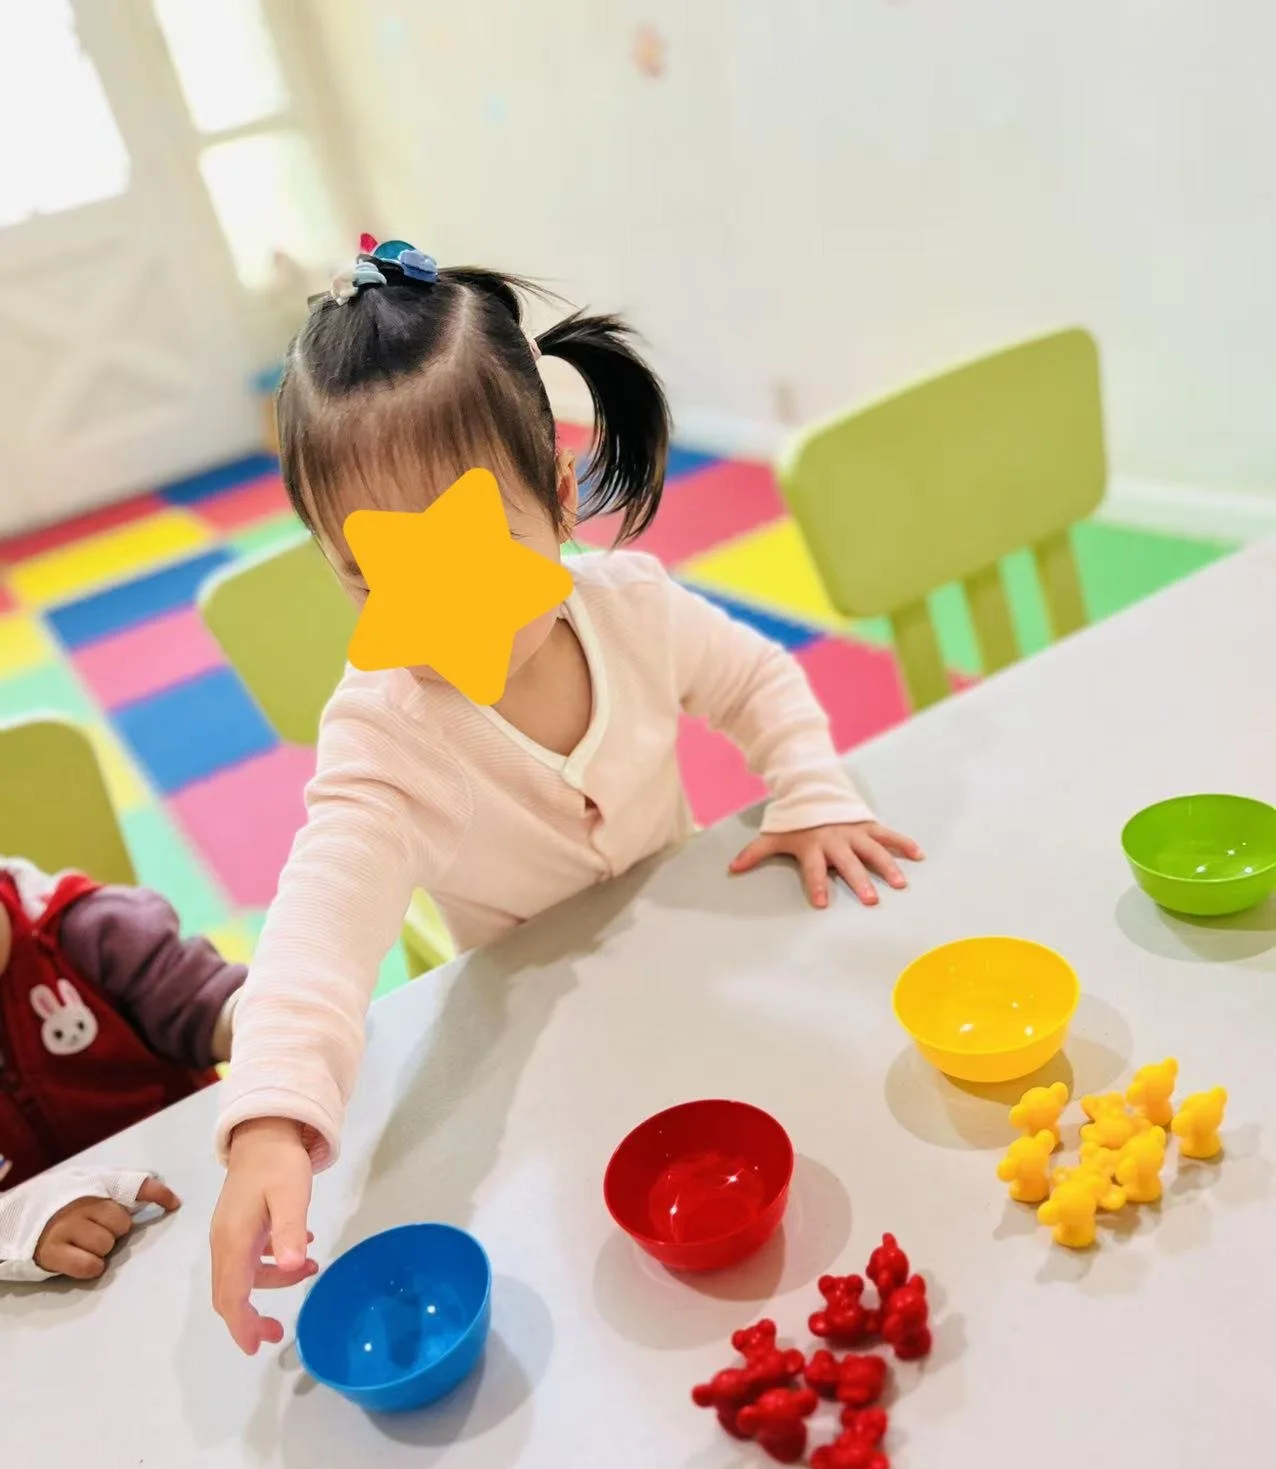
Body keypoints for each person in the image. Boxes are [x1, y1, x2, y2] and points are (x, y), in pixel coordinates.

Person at [210, 238, 923, 1352]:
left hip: (696, 982)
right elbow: (317, 926)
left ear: (555, 497)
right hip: (537, 1050)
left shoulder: (630, 608)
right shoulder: (387, 733)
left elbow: (755, 678)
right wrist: (271, 1114)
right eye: (377, 576)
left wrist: (811, 790)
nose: (441, 615)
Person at [0, 856, 244, 1282]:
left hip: (208, 1202)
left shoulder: (88, 931)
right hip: (60, 1290)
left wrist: (270, 1020)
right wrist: (18, 1221)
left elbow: (212, 1005)